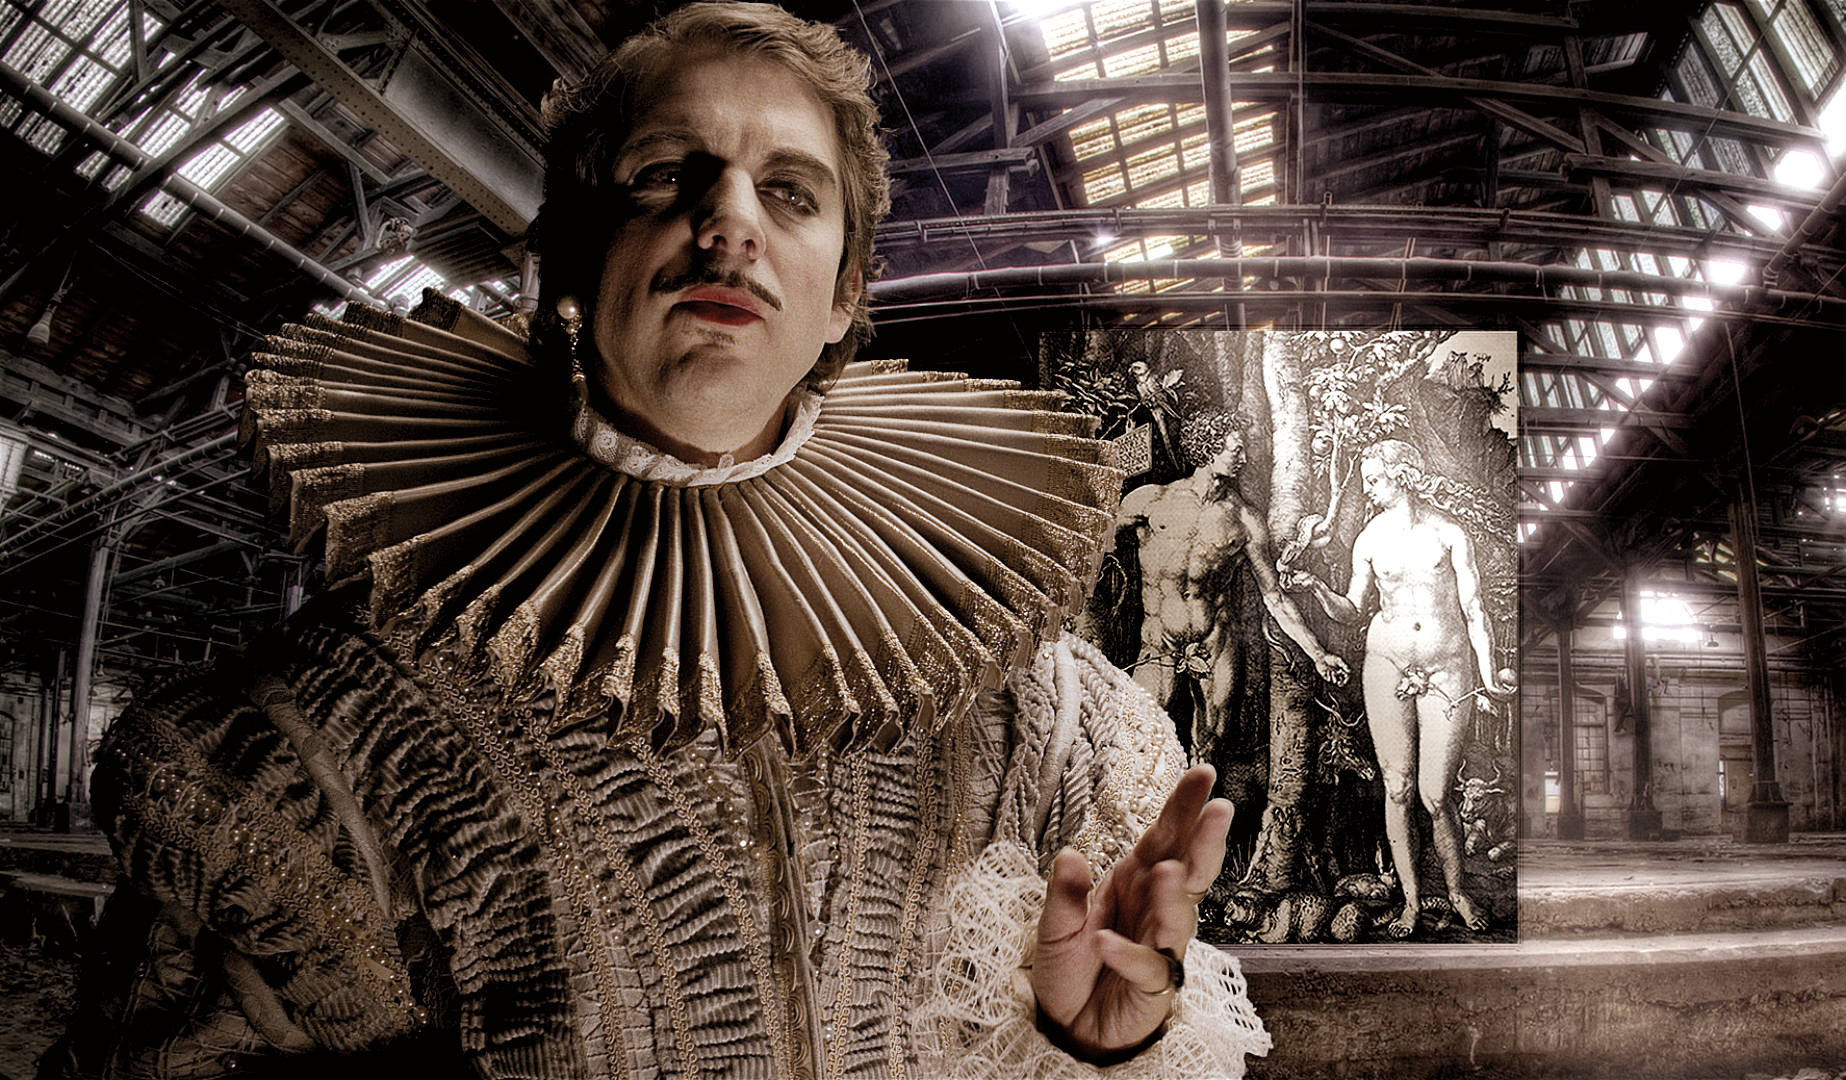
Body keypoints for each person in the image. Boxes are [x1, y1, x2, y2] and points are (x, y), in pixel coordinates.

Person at [39, 4, 1268, 1077]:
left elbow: (1085, 1013)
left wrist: (1087, 1039)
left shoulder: (1031, 708)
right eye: (668, 173)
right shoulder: (323, 740)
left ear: (844, 292)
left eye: (792, 191)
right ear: (574, 257)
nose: (729, 219)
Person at [1313, 439, 1505, 938]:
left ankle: (1457, 893)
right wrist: (1316, 589)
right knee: (1397, 787)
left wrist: (1489, 675)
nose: (1368, 489)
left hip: (1447, 668)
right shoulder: (1369, 539)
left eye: (1375, 479)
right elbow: (1352, 609)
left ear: (1402, 476)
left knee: (1436, 795)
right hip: (1387, 664)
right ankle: (1413, 902)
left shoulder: (1449, 532)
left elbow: (1474, 610)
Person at [1118, 430, 1344, 762]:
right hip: (1158, 641)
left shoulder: (1245, 519)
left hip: (1214, 641)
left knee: (1208, 748)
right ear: (1208, 448)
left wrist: (1318, 654)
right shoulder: (1152, 500)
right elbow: (1093, 537)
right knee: (1135, 737)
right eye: (1236, 451)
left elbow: (1274, 596)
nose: (1244, 459)